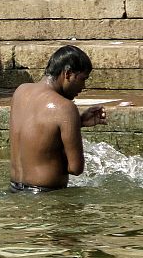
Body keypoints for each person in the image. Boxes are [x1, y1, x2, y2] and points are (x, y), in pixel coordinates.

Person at [9, 45, 106, 192]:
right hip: (47, 197)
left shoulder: (20, 91)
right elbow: (75, 168)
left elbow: (37, 132)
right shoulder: (65, 108)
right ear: (68, 74)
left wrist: (77, 122)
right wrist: (73, 123)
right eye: (82, 79)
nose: (83, 86)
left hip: (15, 191)